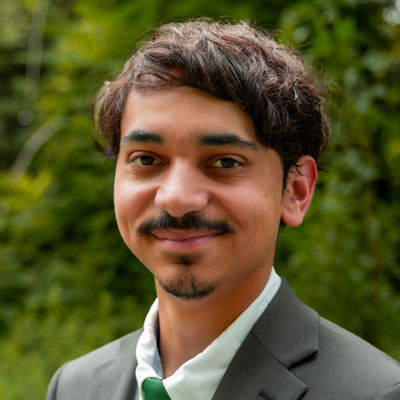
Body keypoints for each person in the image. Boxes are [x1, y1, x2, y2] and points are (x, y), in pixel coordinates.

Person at [46, 20, 400, 400]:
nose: (176, 198)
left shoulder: (376, 393)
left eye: (225, 162)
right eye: (147, 159)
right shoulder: (75, 386)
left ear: (295, 191)